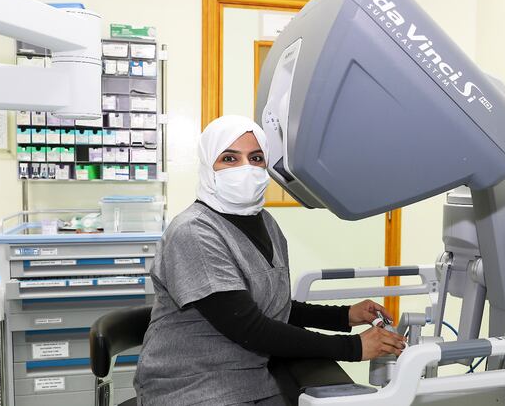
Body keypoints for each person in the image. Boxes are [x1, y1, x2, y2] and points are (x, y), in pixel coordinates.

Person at [134, 115, 406, 406]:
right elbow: (249, 328)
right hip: (192, 385)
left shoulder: (264, 222)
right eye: (229, 158)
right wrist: (353, 347)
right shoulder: (194, 232)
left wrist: (344, 316)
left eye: (256, 158)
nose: (245, 169)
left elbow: (274, 307)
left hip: (250, 377)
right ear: (208, 167)